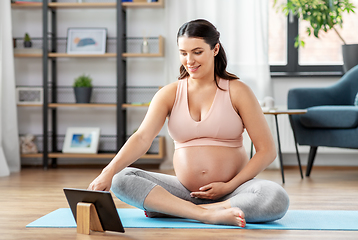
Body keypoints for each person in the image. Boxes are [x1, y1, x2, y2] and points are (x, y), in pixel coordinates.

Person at [88, 19, 289, 227]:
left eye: (197, 52)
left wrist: (229, 186)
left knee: (275, 197)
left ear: (215, 49)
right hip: (184, 191)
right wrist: (107, 172)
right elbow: (141, 138)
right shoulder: (169, 93)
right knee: (122, 179)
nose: (189, 60)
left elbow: (266, 150)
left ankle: (176, 209)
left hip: (233, 192)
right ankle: (205, 213)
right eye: (183, 53)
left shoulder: (238, 91)